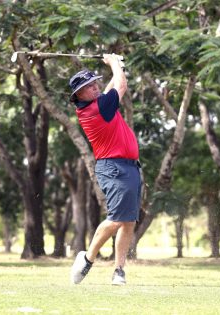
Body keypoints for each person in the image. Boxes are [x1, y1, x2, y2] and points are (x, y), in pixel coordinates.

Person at [69, 54, 142, 286]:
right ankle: (87, 259)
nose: (96, 87)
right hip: (113, 167)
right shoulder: (98, 108)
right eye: (90, 86)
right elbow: (120, 85)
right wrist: (114, 65)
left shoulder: (97, 103)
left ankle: (119, 270)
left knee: (128, 220)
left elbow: (109, 89)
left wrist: (115, 68)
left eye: (95, 83)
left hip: (129, 167)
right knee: (117, 218)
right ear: (79, 94)